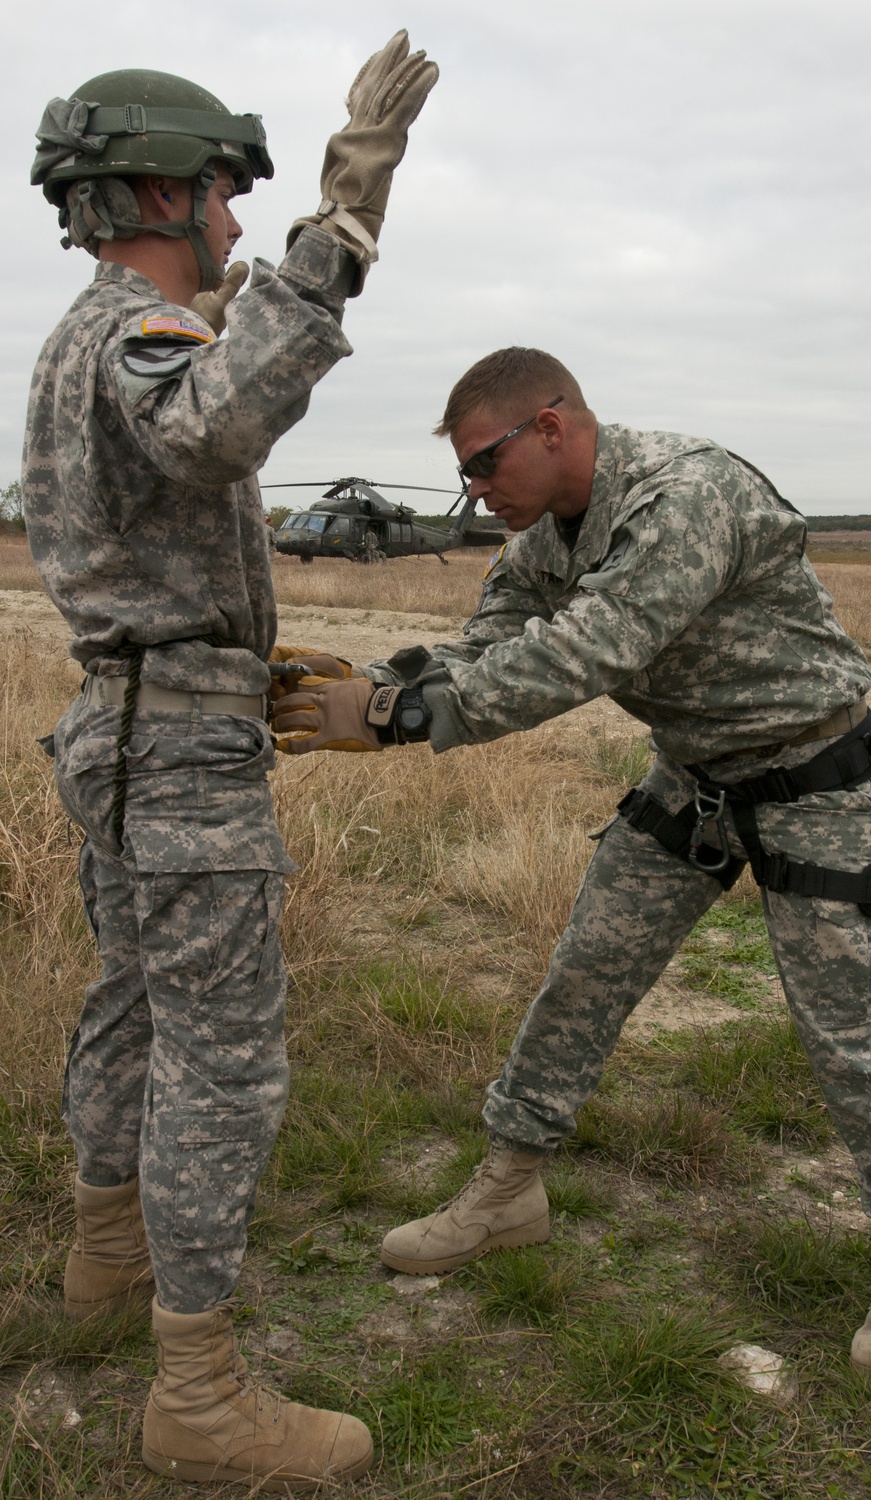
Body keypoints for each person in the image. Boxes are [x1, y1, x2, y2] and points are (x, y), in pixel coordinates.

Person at [271, 346, 871, 1384]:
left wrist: (399, 720)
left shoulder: (684, 493)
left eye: (483, 462)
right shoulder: (541, 536)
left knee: (846, 1035)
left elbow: (594, 646)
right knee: (584, 975)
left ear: (551, 426)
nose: (474, 490)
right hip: (692, 782)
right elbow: (492, 643)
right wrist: (383, 682)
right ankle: (508, 1188)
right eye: (464, 473)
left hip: (810, 782)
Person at [24, 38, 436, 1489]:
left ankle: (103, 1260)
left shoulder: (78, 342)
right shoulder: (140, 338)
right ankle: (196, 1395)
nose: (235, 224)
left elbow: (146, 531)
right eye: (220, 193)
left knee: (133, 1002)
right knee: (224, 1060)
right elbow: (212, 433)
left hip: (132, 726)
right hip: (175, 755)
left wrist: (222, 661)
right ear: (154, 192)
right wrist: (339, 233)